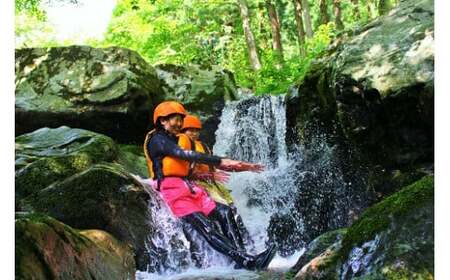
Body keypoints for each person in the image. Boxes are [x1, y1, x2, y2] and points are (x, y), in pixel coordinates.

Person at [143, 101, 276, 270]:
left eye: (180, 120)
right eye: (175, 119)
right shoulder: (157, 140)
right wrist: (221, 161)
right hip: (172, 190)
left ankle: (241, 258)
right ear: (162, 121)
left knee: (225, 211)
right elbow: (182, 155)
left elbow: (188, 166)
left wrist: (237, 165)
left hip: (189, 187)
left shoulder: (176, 139)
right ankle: (246, 261)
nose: (179, 124)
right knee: (206, 227)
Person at [181, 114, 253, 251]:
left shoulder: (203, 146)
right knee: (225, 212)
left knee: (233, 210)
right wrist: (206, 175)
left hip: (212, 183)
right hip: (198, 184)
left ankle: (248, 246)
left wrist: (244, 167)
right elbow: (184, 171)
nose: (194, 133)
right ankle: (239, 250)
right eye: (189, 130)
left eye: (196, 130)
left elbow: (216, 165)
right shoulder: (183, 147)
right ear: (183, 131)